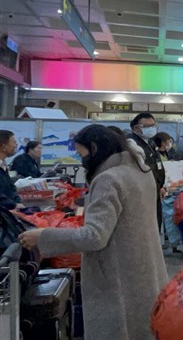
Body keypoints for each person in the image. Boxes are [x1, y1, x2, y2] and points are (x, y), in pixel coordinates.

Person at [18, 125, 168, 340]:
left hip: (117, 277)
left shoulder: (108, 179)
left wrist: (43, 236)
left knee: (119, 330)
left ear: (95, 147)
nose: (82, 160)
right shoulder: (141, 172)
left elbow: (95, 236)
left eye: (82, 153)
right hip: (144, 269)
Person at [128, 113, 166, 229]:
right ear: (136, 128)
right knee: (146, 226)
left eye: (153, 125)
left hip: (155, 189)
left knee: (155, 222)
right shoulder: (131, 143)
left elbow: (156, 164)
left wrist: (161, 185)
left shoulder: (150, 142)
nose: (151, 129)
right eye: (147, 126)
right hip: (142, 192)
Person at [0, 130, 22, 209]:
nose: (16, 145)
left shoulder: (3, 165)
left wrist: (17, 202)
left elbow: (11, 188)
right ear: (3, 146)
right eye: (13, 142)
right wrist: (13, 205)